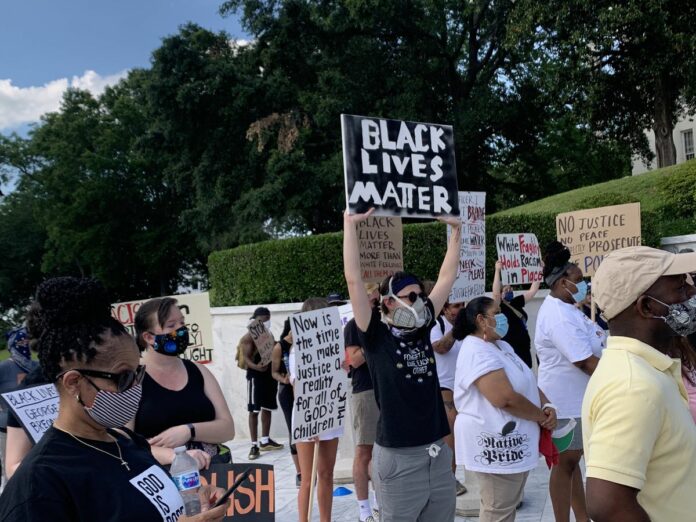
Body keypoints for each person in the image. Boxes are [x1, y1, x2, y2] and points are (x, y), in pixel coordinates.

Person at [0, 276, 228, 521]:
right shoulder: (40, 484)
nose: (136, 387)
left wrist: (191, 499)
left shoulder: (128, 442)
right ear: (74, 383)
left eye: (138, 373)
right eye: (122, 378)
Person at [343, 207, 461, 522]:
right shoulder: (375, 335)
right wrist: (349, 225)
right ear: (388, 302)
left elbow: (447, 276)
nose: (419, 301)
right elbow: (354, 280)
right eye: (410, 296)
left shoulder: (422, 326)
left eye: (420, 294)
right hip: (398, 459)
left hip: (436, 453)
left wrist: (456, 232)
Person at [583, 246, 696, 520]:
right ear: (646, 307)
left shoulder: (647, 370)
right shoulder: (634, 387)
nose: (691, 295)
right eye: (680, 289)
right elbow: (606, 504)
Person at [452, 297, 557, 522]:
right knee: (497, 509)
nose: (503, 318)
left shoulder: (501, 345)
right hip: (495, 445)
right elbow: (505, 399)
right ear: (481, 320)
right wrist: (541, 417)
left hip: (513, 445)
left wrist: (546, 405)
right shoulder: (477, 351)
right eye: (496, 312)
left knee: (505, 507)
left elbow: (526, 380)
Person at [535, 241, 604, 522]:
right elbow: (584, 361)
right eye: (579, 280)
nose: (584, 284)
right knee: (565, 464)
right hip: (565, 407)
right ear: (563, 282)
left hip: (578, 402)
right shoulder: (558, 316)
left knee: (572, 464)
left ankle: (582, 516)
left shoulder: (568, 308)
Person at [132, 297, 235, 469]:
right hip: (161, 480)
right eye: (171, 325)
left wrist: (188, 431)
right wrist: (175, 456)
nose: (181, 329)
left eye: (182, 322)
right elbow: (124, 443)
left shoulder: (198, 371)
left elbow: (227, 428)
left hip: (213, 474)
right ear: (149, 337)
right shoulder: (132, 379)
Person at [289, 297, 343, 522]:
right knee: (308, 477)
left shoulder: (335, 346)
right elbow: (297, 388)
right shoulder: (297, 351)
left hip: (330, 410)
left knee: (327, 474)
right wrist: (309, 421)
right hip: (307, 415)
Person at [344, 282, 381, 522]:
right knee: (364, 451)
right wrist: (375, 342)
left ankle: (379, 500)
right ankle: (364, 508)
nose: (378, 304)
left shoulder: (384, 322)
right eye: (374, 300)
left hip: (384, 391)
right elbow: (354, 360)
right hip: (365, 392)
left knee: (382, 451)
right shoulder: (352, 326)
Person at [429, 299, 467, 496]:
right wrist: (456, 328)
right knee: (449, 439)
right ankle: (449, 480)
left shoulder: (465, 326)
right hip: (445, 388)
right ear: (445, 308)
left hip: (465, 389)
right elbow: (441, 347)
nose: (460, 310)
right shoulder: (437, 325)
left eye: (463, 305)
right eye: (456, 306)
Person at [237, 306, 283, 460]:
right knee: (254, 410)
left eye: (268, 319)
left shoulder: (267, 333)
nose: (267, 322)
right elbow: (247, 357)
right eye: (264, 319)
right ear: (257, 320)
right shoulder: (249, 336)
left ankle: (265, 440)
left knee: (267, 407)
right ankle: (254, 445)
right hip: (255, 377)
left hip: (268, 376)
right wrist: (257, 367)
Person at [0, 327, 39, 487]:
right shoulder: (3, 368)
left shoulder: (36, 366)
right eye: (20, 342)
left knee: (33, 467)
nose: (25, 345)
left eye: (27, 341)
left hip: (33, 427)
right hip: (5, 428)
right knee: (10, 470)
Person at [492, 259, 541, 368]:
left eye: (510, 288)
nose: (510, 290)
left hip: (524, 348)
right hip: (511, 348)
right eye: (506, 289)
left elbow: (532, 291)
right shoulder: (499, 306)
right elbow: (495, 294)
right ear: (501, 293)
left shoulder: (517, 302)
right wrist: (497, 271)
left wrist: (539, 270)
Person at [271, 317, 301, 486]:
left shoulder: (304, 342)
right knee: (293, 430)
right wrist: (284, 380)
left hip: (304, 389)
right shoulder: (279, 347)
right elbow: (273, 372)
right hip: (287, 392)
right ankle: (299, 471)